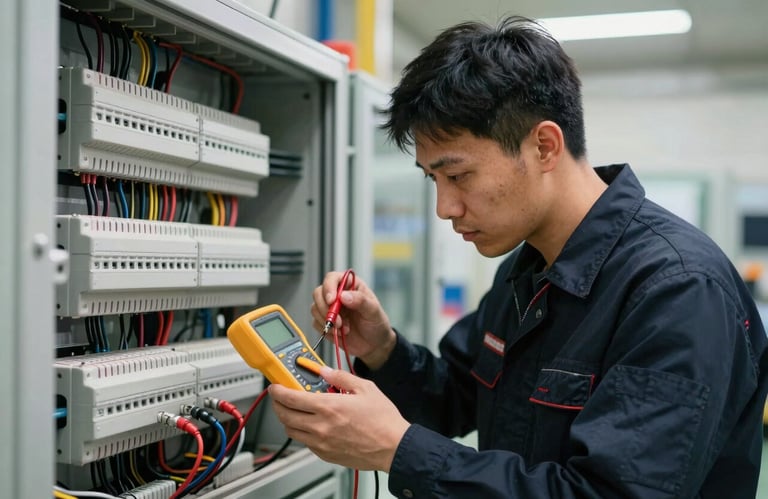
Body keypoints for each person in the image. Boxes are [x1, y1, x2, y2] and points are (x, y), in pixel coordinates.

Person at [268, 15, 768, 498]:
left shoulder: (676, 290)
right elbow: (457, 398)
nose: (445, 208)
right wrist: (381, 348)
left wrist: (400, 451)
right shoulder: (527, 269)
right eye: (433, 180)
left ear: (545, 146)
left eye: (458, 175)